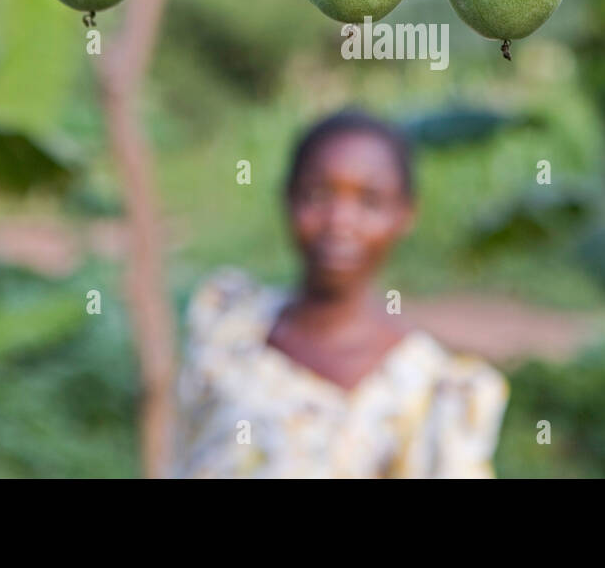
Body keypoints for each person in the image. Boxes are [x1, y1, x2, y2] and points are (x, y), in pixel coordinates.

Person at [172, 109, 509, 478]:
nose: (340, 222)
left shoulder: (432, 392)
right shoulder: (229, 329)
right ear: (288, 198)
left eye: (370, 202)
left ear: (405, 214)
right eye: (318, 195)